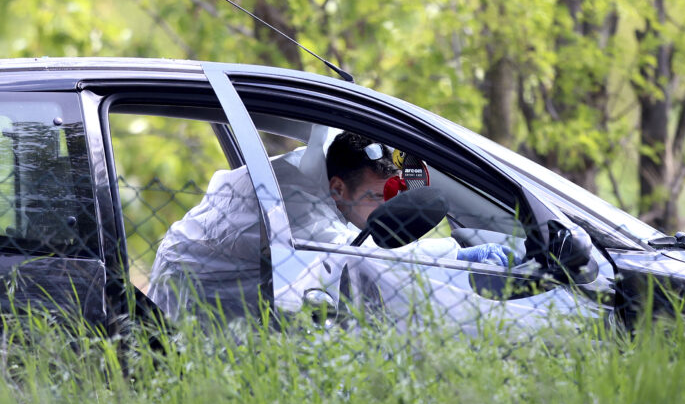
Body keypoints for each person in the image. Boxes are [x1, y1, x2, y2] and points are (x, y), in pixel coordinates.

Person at [147, 129, 512, 317]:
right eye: (377, 197)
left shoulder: (318, 181)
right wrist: (456, 256)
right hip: (185, 323)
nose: (388, 208)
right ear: (337, 188)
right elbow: (360, 259)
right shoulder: (295, 198)